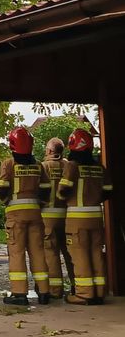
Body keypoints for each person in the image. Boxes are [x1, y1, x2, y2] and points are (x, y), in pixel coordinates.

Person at [0, 127, 51, 305]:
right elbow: (46, 190)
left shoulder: (8, 164)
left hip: (15, 216)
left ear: (12, 144)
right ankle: (44, 292)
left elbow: (2, 187)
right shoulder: (38, 165)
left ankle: (19, 294)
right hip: (36, 215)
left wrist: (6, 201)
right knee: (38, 252)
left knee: (17, 253)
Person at [59, 128, 111, 305]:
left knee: (79, 255)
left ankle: (84, 294)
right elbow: (108, 191)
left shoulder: (72, 166)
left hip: (76, 220)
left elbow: (63, 191)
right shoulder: (99, 168)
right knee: (96, 253)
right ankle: (99, 292)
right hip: (96, 218)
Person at [40, 137, 75, 299]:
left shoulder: (43, 167)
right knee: (71, 253)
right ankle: (77, 286)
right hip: (68, 217)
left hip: (48, 217)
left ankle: (55, 290)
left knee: (51, 254)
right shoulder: (69, 166)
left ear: (49, 151)